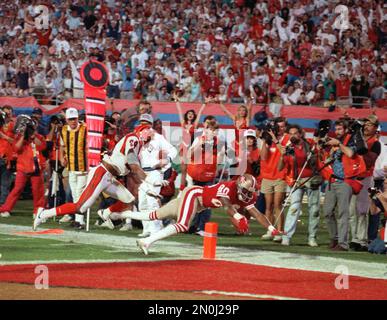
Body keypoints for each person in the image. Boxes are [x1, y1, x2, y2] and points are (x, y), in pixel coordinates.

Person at [124, 174, 281, 255]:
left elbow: (258, 214)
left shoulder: (246, 195)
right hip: (194, 195)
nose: (247, 194)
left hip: (199, 204)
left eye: (249, 192)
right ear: (240, 184)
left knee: (156, 214)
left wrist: (271, 228)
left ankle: (124, 214)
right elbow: (226, 204)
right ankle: (147, 241)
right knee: (183, 225)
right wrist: (238, 217)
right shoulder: (229, 187)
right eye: (246, 190)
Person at [33, 125, 151, 230]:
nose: (150, 134)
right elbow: (133, 165)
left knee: (129, 200)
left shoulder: (138, 145)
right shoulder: (134, 138)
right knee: (80, 207)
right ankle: (43, 214)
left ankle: (105, 213)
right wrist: (149, 181)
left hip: (110, 176)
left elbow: (131, 168)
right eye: (148, 131)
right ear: (140, 131)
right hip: (102, 173)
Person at [318, 120, 366, 251]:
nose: (338, 131)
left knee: (343, 213)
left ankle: (343, 244)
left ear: (345, 130)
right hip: (332, 181)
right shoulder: (335, 143)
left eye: (340, 129)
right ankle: (334, 238)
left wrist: (339, 144)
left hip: (345, 181)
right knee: (327, 212)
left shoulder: (351, 141)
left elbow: (351, 153)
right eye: (336, 129)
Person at [278, 124, 321, 247]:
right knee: (294, 208)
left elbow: (319, 158)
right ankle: (287, 236)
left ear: (300, 134)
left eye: (295, 133)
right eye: (290, 134)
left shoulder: (310, 144)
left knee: (314, 209)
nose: (292, 136)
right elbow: (280, 167)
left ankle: (312, 237)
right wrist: (282, 155)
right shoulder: (288, 148)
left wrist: (313, 154)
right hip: (296, 180)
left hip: (312, 179)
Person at [186, 115, 226, 235]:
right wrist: (200, 145)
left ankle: (202, 227)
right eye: (210, 129)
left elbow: (220, 160)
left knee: (207, 201)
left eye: (215, 130)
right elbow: (189, 155)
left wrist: (218, 151)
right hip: (196, 173)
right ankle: (192, 225)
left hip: (208, 175)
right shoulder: (199, 139)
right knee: (194, 201)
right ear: (206, 129)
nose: (212, 132)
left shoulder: (219, 143)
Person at [0, 116, 46, 217]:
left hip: (36, 168)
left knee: (38, 190)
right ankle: (6, 209)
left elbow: (42, 146)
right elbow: (16, 149)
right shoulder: (19, 137)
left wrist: (33, 135)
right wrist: (23, 136)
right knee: (17, 189)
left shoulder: (38, 136)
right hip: (22, 168)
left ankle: (38, 211)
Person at [349, 115, 381, 251]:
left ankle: (361, 239)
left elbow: (369, 161)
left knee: (362, 210)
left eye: (370, 124)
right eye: (365, 123)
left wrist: (361, 146)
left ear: (375, 128)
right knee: (351, 210)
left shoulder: (376, 143)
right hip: (352, 176)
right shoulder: (356, 137)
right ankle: (353, 238)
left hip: (366, 177)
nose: (366, 126)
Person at [57, 108, 88, 228]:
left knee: (79, 192)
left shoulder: (85, 129)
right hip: (70, 166)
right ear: (66, 120)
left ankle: (80, 219)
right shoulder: (64, 130)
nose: (73, 121)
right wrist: (61, 157)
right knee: (75, 193)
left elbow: (88, 147)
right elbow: (62, 145)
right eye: (70, 119)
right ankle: (78, 218)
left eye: (74, 119)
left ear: (77, 118)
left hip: (83, 166)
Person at [260, 117, 289, 241]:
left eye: (283, 126)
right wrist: (265, 141)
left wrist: (275, 139)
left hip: (280, 175)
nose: (281, 129)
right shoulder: (268, 139)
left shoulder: (287, 138)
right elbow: (263, 157)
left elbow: (283, 151)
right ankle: (270, 229)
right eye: (279, 126)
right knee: (268, 206)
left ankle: (280, 231)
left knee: (278, 204)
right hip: (267, 175)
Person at [0, 106, 14, 208]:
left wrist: (5, 137)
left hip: (8, 157)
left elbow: (17, 140)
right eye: (5, 113)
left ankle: (2, 205)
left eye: (8, 113)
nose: (7, 115)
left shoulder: (15, 125)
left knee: (5, 183)